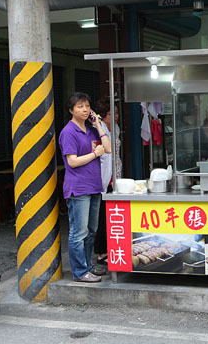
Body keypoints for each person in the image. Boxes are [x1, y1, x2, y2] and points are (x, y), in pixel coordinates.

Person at [59, 92, 112, 283]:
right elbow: (72, 162)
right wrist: (94, 154)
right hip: (78, 189)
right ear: (71, 110)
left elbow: (108, 148)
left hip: (94, 186)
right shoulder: (68, 132)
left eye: (87, 106)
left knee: (91, 231)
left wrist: (98, 123)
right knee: (78, 233)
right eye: (80, 106)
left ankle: (89, 267)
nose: (85, 109)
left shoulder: (90, 129)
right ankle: (80, 272)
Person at [93, 98, 122, 265]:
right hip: (103, 177)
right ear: (103, 115)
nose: (116, 116)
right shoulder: (99, 130)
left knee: (112, 216)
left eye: (117, 112)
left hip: (115, 175)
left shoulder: (115, 128)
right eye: (112, 113)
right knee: (102, 217)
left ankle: (112, 249)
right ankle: (101, 252)